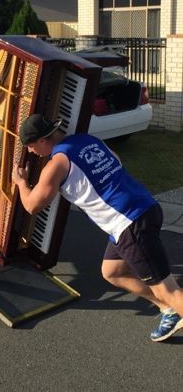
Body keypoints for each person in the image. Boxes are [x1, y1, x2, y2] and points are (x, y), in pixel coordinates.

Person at [13, 113, 183, 342]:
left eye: (31, 146)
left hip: (128, 223)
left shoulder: (56, 165)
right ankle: (169, 310)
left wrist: (22, 183)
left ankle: (171, 303)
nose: (32, 152)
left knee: (168, 289)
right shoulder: (88, 140)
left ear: (43, 140)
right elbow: (117, 160)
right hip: (146, 208)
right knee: (112, 271)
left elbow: (32, 205)